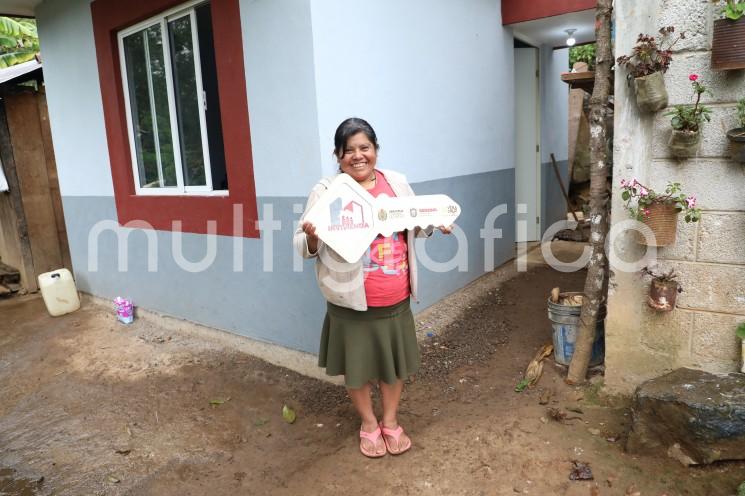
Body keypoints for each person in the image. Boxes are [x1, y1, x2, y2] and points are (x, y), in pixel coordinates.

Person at [294, 117, 452, 458]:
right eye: (348, 150)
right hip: (350, 302)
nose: (358, 155)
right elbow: (302, 245)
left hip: (395, 298)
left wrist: (435, 223)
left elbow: (415, 222)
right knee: (358, 368)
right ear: (337, 156)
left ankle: (391, 421)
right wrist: (310, 236)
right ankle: (368, 423)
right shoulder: (327, 191)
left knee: (393, 365)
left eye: (364, 147)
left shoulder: (395, 183)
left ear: (375, 150)